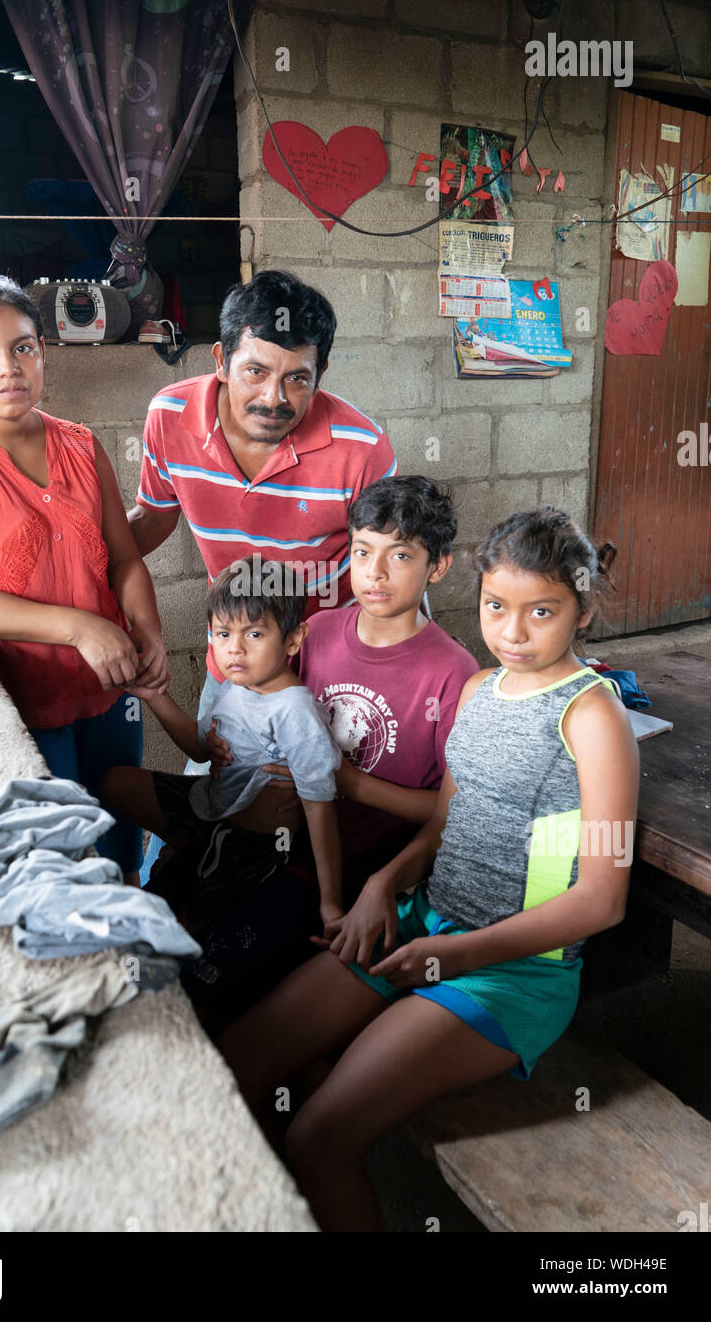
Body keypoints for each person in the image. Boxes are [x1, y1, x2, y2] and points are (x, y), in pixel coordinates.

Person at [217, 507, 639, 1232]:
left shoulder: (592, 717)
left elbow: (602, 901)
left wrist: (453, 955)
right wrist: (384, 885)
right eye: (496, 607)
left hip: (516, 971)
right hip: (422, 926)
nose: (512, 631)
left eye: (542, 611)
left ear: (584, 610)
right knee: (234, 1066)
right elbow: (445, 822)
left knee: (317, 1138)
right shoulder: (477, 690)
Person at [127, 269, 397, 879]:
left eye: (297, 378)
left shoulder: (360, 446)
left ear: (319, 376)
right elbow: (148, 522)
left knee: (316, 826)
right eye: (256, 371)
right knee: (224, 812)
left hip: (334, 675)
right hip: (240, 662)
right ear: (221, 359)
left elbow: (389, 573)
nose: (274, 398)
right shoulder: (170, 416)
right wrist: (75, 574)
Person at [0, 274, 168, 883]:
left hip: (110, 690)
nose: (7, 368)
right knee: (64, 864)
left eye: (22, 347)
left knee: (121, 842)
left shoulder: (81, 444)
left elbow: (123, 559)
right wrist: (80, 627)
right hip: (23, 698)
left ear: (43, 351)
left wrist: (146, 631)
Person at [185, 476, 478, 1022]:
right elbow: (257, 703)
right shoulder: (317, 631)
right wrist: (224, 743)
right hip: (269, 838)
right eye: (363, 551)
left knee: (223, 986)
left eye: (401, 555)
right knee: (178, 933)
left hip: (357, 866)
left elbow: (451, 815)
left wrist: (353, 785)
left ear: (437, 567)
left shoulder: (453, 674)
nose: (376, 572)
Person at [99, 562, 343, 941]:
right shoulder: (237, 685)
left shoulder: (293, 711)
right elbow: (200, 750)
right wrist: (154, 697)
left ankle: (195, 873)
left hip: (253, 844)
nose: (235, 649)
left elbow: (318, 808)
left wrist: (331, 903)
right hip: (208, 808)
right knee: (114, 782)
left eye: (255, 633)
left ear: (293, 640)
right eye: (224, 633)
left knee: (175, 932)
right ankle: (189, 855)